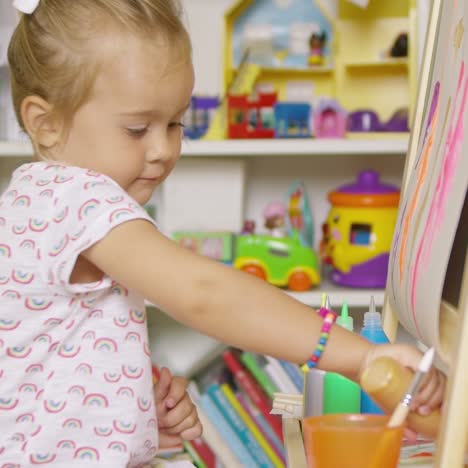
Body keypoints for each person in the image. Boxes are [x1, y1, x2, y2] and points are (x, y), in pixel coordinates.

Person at [1, 0, 445, 466]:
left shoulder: (37, 200)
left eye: (175, 123)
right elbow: (204, 293)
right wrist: (358, 358)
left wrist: (131, 407)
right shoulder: (77, 197)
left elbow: (41, 363)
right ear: (44, 124)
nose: (162, 149)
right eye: (137, 129)